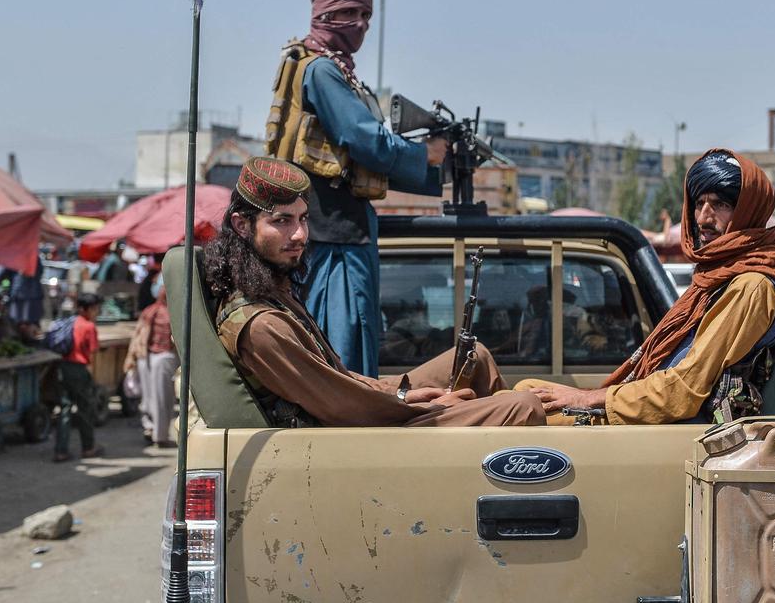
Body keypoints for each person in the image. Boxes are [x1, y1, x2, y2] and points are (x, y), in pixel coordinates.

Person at [204, 156, 543, 427]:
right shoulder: (262, 326)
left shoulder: (273, 292)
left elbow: (339, 380)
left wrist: (404, 394)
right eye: (282, 222)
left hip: (365, 412)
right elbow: (343, 407)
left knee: (476, 357)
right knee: (522, 406)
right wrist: (427, 407)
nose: (299, 235)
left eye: (303, 219)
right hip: (354, 439)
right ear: (242, 225)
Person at [519, 149, 775, 424]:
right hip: (651, 409)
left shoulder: (750, 286)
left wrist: (588, 399)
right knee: (525, 390)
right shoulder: (720, 276)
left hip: (671, 426)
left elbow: (682, 390)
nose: (703, 218)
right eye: (699, 203)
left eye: (720, 205)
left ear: (748, 211)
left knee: (520, 408)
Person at [264, 0, 448, 377]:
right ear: (324, 14)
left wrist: (433, 170)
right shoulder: (323, 72)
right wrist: (425, 155)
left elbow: (357, 158)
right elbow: (363, 139)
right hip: (335, 237)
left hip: (341, 231)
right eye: (349, 12)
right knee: (342, 347)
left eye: (366, 14)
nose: (361, 23)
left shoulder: (332, 70)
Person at [54, 293, 105, 462]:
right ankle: (88, 447)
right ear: (87, 309)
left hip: (63, 368)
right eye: (95, 308)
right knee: (85, 409)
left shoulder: (71, 322)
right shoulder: (89, 327)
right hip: (79, 370)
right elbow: (93, 353)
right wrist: (94, 377)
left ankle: (61, 450)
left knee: (65, 410)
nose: (96, 312)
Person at [125, 286, 178, 447]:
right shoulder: (171, 314)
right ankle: (160, 436)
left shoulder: (148, 311)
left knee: (148, 397)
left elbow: (137, 336)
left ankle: (149, 427)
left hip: (144, 358)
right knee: (163, 399)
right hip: (163, 358)